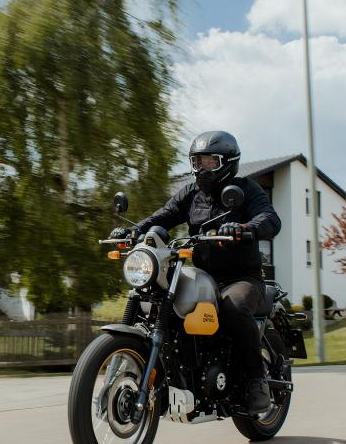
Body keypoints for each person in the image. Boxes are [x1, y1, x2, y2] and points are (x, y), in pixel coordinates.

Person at [110, 130, 281, 412]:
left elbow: (270, 218)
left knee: (234, 308)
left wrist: (244, 228)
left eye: (210, 162)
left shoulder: (246, 189)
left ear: (228, 162)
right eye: (197, 161)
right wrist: (135, 230)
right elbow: (165, 215)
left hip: (242, 278)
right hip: (205, 277)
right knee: (161, 300)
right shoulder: (191, 193)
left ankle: (256, 380)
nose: (202, 168)